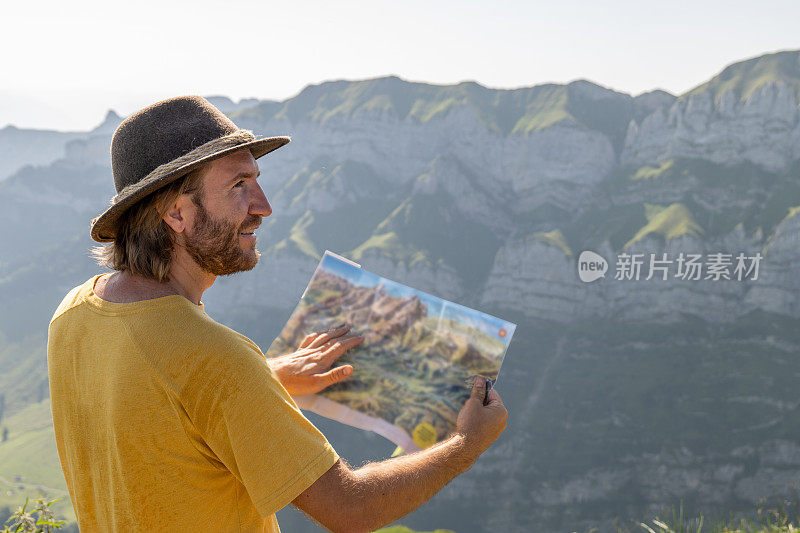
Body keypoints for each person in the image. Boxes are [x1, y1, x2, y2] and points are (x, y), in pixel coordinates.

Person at [47, 95, 508, 532]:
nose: (264, 207)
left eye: (257, 180)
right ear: (177, 214)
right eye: (238, 186)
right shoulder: (216, 360)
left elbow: (154, 409)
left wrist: (266, 379)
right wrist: (466, 444)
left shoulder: (73, 316)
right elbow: (351, 510)